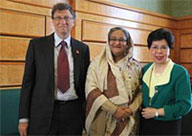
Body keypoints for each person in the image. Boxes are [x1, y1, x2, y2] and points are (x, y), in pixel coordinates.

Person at [18, 3, 90, 136]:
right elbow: (27, 83)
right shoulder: (37, 46)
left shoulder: (83, 49)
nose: (63, 22)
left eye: (67, 18)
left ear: (73, 21)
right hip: (43, 113)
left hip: (73, 113)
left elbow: (85, 83)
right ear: (52, 21)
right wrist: (23, 118)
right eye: (58, 18)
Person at [85, 27, 142, 136]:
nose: (117, 43)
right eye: (113, 39)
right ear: (108, 41)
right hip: (103, 116)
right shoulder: (96, 65)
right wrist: (115, 110)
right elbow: (92, 90)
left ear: (127, 43)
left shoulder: (135, 66)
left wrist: (130, 109)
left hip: (128, 117)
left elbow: (141, 91)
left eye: (121, 39)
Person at [139, 28, 192, 135]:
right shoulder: (145, 69)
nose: (159, 52)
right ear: (149, 49)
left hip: (168, 126)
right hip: (145, 124)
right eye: (155, 47)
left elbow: (185, 105)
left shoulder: (179, 72)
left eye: (164, 47)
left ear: (170, 49)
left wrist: (157, 112)